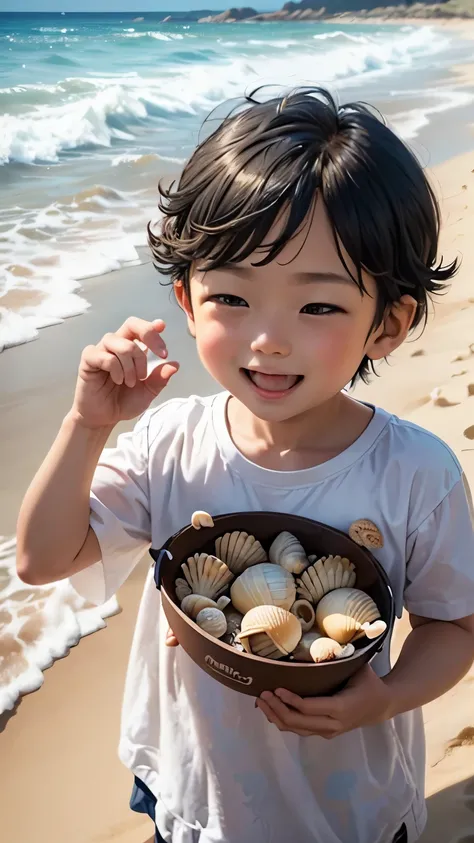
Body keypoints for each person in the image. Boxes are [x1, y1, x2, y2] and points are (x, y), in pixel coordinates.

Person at [16, 87, 474, 843]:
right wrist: (86, 424)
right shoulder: (170, 445)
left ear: (387, 325)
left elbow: (455, 625)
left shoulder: (414, 473)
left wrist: (382, 698)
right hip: (188, 794)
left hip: (347, 808)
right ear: (187, 303)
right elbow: (41, 557)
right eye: (231, 295)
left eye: (318, 306)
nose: (267, 339)